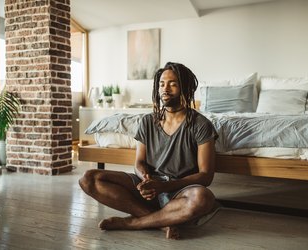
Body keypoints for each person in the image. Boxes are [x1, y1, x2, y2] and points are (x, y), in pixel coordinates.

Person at [79, 62, 218, 239]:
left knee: (203, 198)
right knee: (89, 179)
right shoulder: (147, 121)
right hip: (150, 186)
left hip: (179, 190)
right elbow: (139, 162)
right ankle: (161, 222)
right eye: (161, 84)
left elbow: (206, 175)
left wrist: (164, 187)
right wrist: (146, 179)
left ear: (186, 88)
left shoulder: (200, 125)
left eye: (173, 84)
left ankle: (133, 222)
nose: (165, 89)